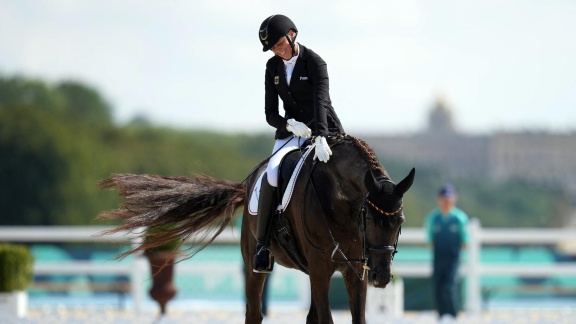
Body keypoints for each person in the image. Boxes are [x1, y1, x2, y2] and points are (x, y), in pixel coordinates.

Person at [253, 14, 345, 273]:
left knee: (345, 172)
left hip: (324, 129)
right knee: (271, 173)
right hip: (292, 133)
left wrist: (321, 136)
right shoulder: (272, 68)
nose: (276, 50)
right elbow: (270, 113)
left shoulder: (315, 63)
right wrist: (289, 126)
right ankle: (263, 246)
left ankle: (357, 237)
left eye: (279, 43)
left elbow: (321, 102)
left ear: (292, 34)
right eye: (271, 48)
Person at [424, 184, 469, 321]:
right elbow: (430, 241)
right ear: (439, 199)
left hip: (453, 257)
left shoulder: (459, 218)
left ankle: (453, 315)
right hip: (438, 257)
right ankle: (441, 315)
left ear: (454, 199)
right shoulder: (433, 218)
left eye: (449, 198)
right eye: (444, 198)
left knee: (449, 287)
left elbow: (464, 242)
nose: (446, 202)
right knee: (438, 286)